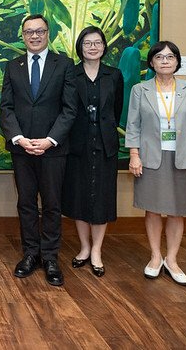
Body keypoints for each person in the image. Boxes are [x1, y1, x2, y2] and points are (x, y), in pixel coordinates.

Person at [126, 40, 186, 286]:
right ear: (152, 62)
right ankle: (155, 257)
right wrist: (134, 154)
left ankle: (172, 260)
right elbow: (133, 125)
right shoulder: (140, 90)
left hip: (182, 156)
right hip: (151, 156)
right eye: (159, 57)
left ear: (177, 62)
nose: (165, 61)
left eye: (170, 57)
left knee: (177, 210)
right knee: (152, 208)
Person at [0, 14, 76, 286]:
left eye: (39, 31)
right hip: (22, 150)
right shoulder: (13, 66)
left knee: (52, 204)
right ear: (23, 36)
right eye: (29, 32)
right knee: (26, 203)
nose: (34, 36)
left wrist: (50, 140)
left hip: (53, 150)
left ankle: (51, 257)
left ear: (48, 33)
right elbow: (6, 108)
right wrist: (19, 138)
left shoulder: (64, 65)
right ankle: (31, 254)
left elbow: (69, 109)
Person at [61, 26, 124, 278]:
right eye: (87, 43)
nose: (93, 47)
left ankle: (97, 250)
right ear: (80, 47)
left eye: (97, 43)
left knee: (102, 197)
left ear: (104, 46)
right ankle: (84, 247)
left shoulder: (114, 75)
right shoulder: (71, 73)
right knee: (79, 195)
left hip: (105, 144)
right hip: (77, 144)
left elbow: (116, 109)